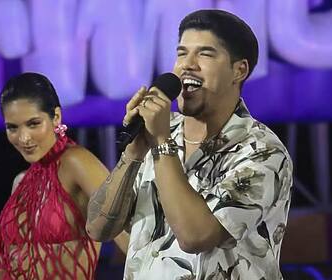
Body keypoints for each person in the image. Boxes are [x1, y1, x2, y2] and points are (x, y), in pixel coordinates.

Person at [86, 9, 293, 279]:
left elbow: (196, 237)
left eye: (205, 54)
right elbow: (98, 228)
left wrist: (161, 143)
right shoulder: (156, 131)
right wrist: (134, 151)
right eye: (182, 53)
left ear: (239, 70)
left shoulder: (262, 150)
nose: (187, 64)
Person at [0, 72, 116, 279]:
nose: (24, 138)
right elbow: (5, 258)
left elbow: (129, 230)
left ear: (56, 117)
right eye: (12, 127)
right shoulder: (21, 182)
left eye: (33, 123)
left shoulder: (76, 162)